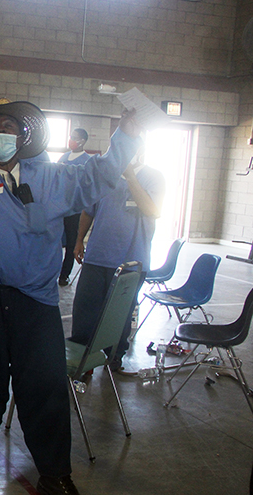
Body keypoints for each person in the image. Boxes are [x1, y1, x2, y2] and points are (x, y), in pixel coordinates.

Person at [0, 58, 142, 495]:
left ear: (24, 137)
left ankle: (54, 471)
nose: (1, 132)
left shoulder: (52, 178)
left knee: (45, 384)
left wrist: (125, 136)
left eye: (9, 127)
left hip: (35, 300)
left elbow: (99, 175)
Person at [70, 145, 165, 370]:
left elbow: (152, 210)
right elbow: (88, 211)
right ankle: (81, 358)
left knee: (119, 313)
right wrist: (79, 240)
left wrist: (131, 177)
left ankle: (114, 355)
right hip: (97, 257)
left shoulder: (153, 177)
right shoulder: (105, 177)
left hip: (130, 261)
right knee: (84, 309)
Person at [57, 128, 91, 286]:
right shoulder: (64, 157)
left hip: (75, 208)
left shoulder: (87, 161)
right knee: (55, 240)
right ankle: (51, 270)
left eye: (74, 137)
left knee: (72, 241)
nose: (71, 140)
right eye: (71, 136)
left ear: (82, 141)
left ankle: (64, 274)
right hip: (58, 206)